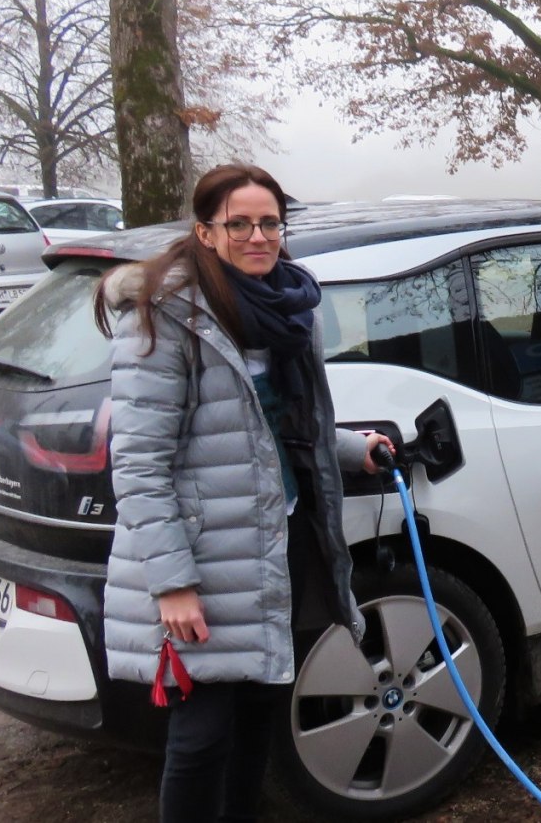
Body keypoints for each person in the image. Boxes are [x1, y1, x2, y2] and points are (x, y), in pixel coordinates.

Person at [95, 163, 391, 822]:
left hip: (274, 543)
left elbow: (275, 427)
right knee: (201, 736)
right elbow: (140, 465)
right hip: (204, 558)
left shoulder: (289, 308)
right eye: (239, 224)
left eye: (269, 223)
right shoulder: (167, 317)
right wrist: (171, 583)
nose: (257, 236)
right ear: (205, 231)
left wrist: (351, 449)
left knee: (259, 714)